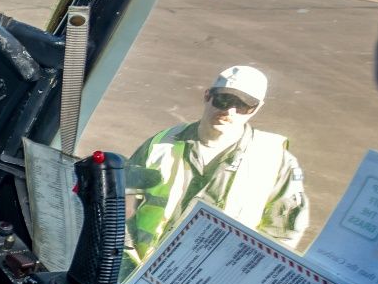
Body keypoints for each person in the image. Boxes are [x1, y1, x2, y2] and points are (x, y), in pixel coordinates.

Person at [124, 65, 309, 266]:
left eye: (243, 105)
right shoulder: (160, 144)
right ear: (207, 96)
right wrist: (126, 257)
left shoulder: (276, 160)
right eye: (224, 100)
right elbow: (120, 204)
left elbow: (283, 234)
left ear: (256, 108)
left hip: (215, 278)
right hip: (141, 268)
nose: (229, 111)